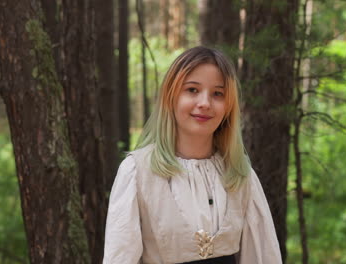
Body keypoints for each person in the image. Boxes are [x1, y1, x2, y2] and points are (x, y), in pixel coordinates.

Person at [103, 46, 282, 264]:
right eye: (192, 90)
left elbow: (262, 257)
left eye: (218, 94)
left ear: (228, 106)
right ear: (171, 96)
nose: (205, 103)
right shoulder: (137, 172)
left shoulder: (240, 174)